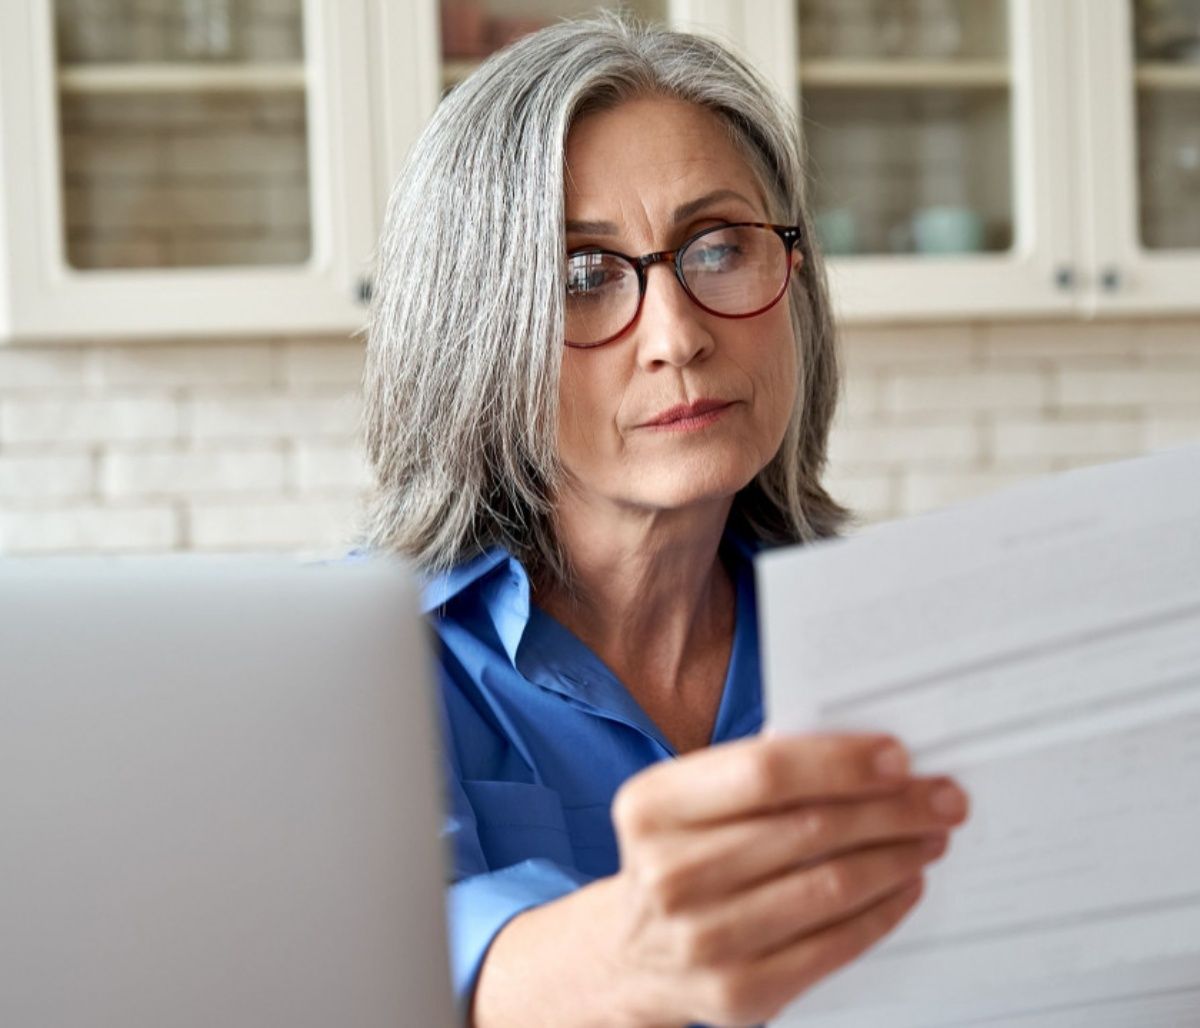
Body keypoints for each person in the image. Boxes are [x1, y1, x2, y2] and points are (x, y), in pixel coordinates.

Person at [362, 13, 970, 1027]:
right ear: (475, 330)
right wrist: (623, 956)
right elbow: (361, 971)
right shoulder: (366, 666)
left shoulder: (898, 639)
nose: (678, 336)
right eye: (584, 275)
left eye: (720, 246)